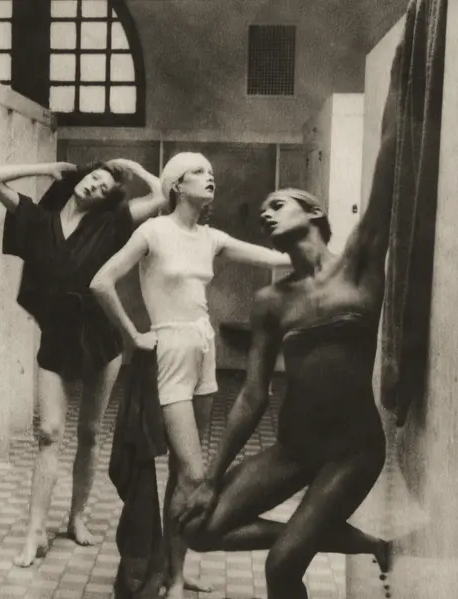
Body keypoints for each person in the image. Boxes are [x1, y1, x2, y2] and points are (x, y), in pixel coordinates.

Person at [172, 50, 402, 599]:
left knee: (282, 568)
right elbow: (250, 397)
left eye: (278, 205)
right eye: (263, 212)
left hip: (352, 449)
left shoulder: (360, 264)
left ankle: (309, 538)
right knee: (198, 527)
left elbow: (389, 165)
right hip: (293, 446)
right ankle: (352, 540)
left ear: (315, 213)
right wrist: (208, 480)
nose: (266, 214)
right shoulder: (271, 301)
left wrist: (402, 79)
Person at [90, 151, 290, 598]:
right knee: (197, 476)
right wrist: (133, 335)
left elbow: (275, 258)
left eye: (212, 172)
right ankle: (164, 567)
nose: (210, 177)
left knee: (184, 472)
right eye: (199, 172)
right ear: (176, 185)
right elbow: (102, 281)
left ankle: (175, 576)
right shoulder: (153, 231)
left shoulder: (211, 238)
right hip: (170, 347)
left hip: (204, 346)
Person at [0, 155, 167, 567]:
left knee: (89, 431)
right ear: (80, 179)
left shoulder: (111, 222)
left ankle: (77, 516)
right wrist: (44, 169)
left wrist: (130, 170)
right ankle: (34, 533)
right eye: (93, 180)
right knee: (49, 432)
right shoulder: (39, 217)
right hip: (58, 335)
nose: (95, 188)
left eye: (104, 188)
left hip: (101, 334)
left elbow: (159, 196)